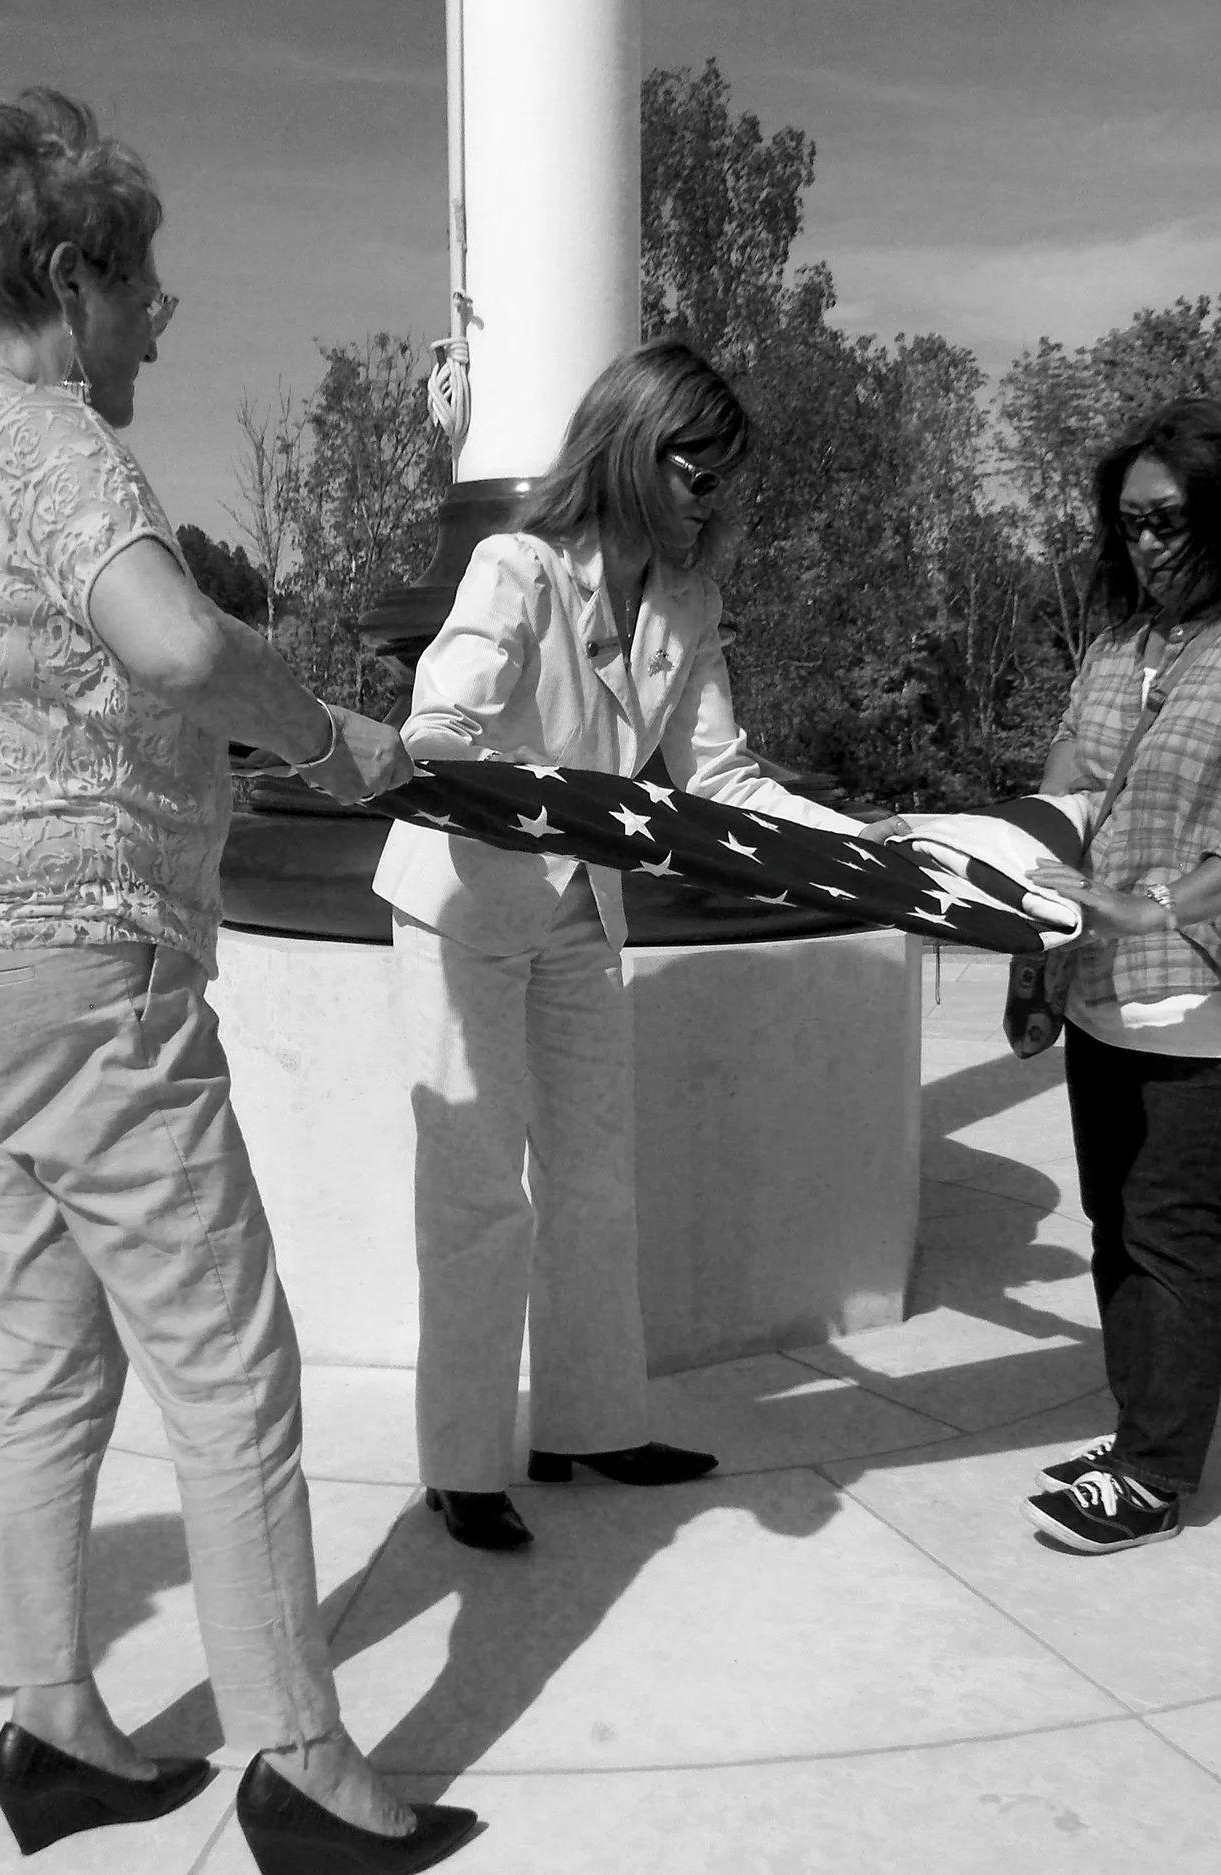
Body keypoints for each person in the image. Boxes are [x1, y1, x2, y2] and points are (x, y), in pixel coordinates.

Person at [0, 89, 477, 1873]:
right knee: (226, 1360)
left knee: (44, 1348)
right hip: (66, 962)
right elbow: (179, 646)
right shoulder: (42, 440)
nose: (164, 311)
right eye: (149, 279)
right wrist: (334, 740)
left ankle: (52, 1723)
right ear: (67, 272)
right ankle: (301, 1755)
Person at [373, 341, 909, 1551]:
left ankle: (589, 1426)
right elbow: (437, 725)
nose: (711, 503)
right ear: (630, 446)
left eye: (728, 483)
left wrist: (862, 846)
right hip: (463, 908)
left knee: (596, 1185)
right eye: (695, 473)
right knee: (475, 1196)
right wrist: (546, 792)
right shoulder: (515, 568)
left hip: (579, 921)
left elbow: (720, 780)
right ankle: (461, 1461)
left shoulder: (687, 603)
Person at [1015, 396, 1221, 1556]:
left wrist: (1158, 900)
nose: (1145, 545)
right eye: (1129, 527)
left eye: (1166, 521)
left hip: (1207, 998)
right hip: (1103, 986)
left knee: (1167, 1231)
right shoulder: (1120, 649)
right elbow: (1076, 762)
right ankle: (1137, 1429)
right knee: (1115, 1224)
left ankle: (1155, 1479)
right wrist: (1029, 861)